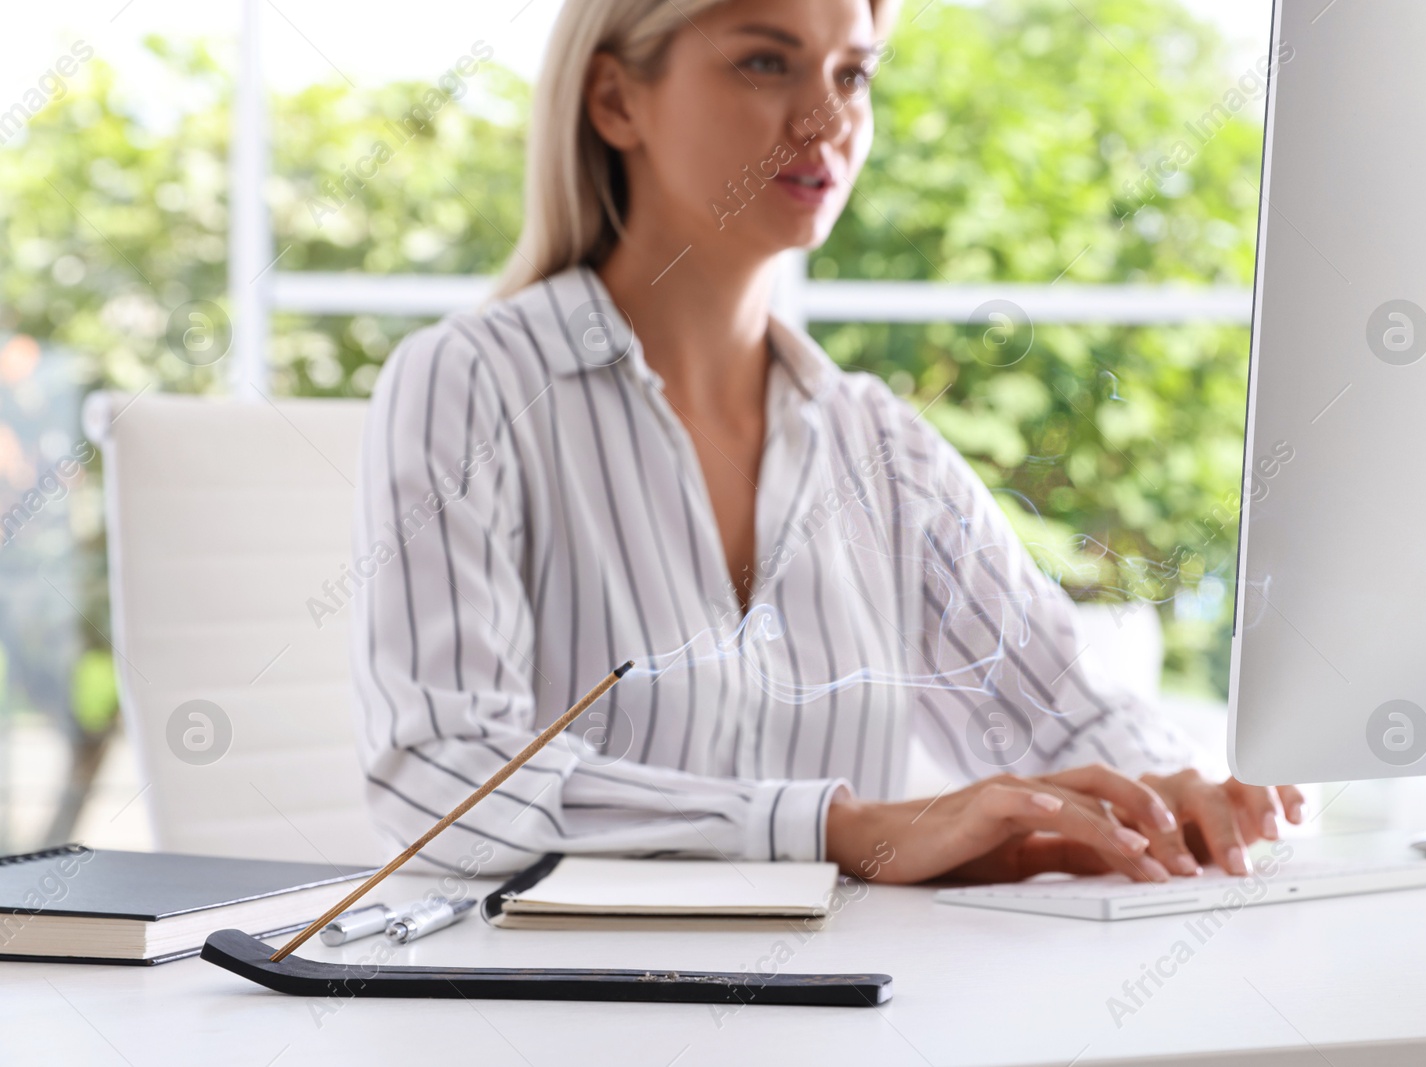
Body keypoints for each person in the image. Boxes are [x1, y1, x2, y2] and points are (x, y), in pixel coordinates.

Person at [350, 0, 1304, 885]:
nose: (826, 118)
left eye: (854, 73)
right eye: (767, 61)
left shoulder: (880, 446)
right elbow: (444, 773)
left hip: (845, 1013)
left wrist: (1175, 790)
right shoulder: (471, 384)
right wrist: (837, 829)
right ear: (615, 99)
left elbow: (1065, 713)